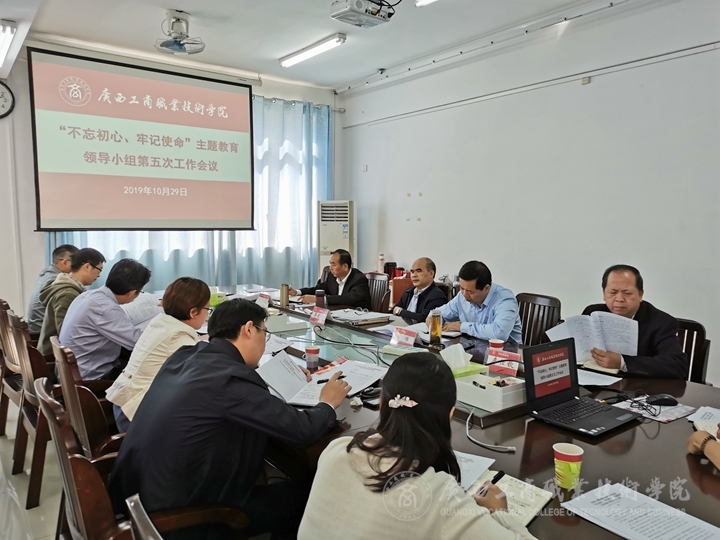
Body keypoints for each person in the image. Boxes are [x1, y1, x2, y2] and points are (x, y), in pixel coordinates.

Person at [108, 298, 350, 540]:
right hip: (182, 519)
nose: (264, 342)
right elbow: (303, 430)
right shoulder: (231, 381)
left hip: (140, 498)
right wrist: (327, 403)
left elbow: (230, 395)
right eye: (264, 333)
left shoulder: (186, 356)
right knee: (304, 494)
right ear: (248, 329)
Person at [298, 352, 536, 540]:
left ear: (381, 403)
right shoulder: (438, 496)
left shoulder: (338, 449)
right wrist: (499, 513)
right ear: (450, 414)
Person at [105, 277, 211, 432]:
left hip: (124, 403)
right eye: (207, 309)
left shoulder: (162, 323)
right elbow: (201, 373)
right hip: (135, 414)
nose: (207, 315)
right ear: (194, 312)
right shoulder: (178, 337)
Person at [582, 265, 687, 378]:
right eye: (613, 292)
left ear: (640, 295)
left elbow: (677, 364)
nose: (619, 299)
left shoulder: (662, 323)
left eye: (627, 293)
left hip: (638, 385)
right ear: (604, 293)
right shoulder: (592, 313)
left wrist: (622, 362)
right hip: (594, 380)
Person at [59, 258, 151, 381]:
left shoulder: (88, 295)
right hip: (90, 378)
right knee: (150, 374)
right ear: (132, 292)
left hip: (72, 372)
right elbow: (137, 342)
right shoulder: (105, 308)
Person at [37, 248, 105, 357]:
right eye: (99, 270)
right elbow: (67, 335)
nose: (99, 275)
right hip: (53, 356)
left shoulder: (66, 287)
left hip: (58, 353)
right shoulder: (67, 294)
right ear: (87, 266)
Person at [436, 261, 522, 343]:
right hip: (473, 348)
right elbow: (438, 314)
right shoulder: (462, 296)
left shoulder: (505, 299)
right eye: (461, 288)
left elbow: (499, 334)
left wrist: (462, 326)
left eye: (470, 292)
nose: (464, 294)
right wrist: (434, 320)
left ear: (486, 288)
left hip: (505, 351)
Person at [289, 249, 371, 309]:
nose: (330, 268)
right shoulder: (332, 276)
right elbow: (319, 289)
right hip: (338, 315)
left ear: (345, 266)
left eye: (333, 264)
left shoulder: (359, 279)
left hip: (358, 318)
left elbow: (348, 299)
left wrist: (318, 299)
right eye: (330, 264)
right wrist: (298, 292)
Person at [26, 244, 78, 333]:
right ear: (65, 262)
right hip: (41, 334)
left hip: (35, 328)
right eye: (77, 263)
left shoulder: (46, 274)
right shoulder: (55, 280)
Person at [392, 257, 448, 322]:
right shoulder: (408, 292)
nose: (414, 275)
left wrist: (400, 311)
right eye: (412, 272)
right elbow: (394, 310)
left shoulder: (438, 296)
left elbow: (424, 319)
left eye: (419, 271)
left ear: (431, 274)